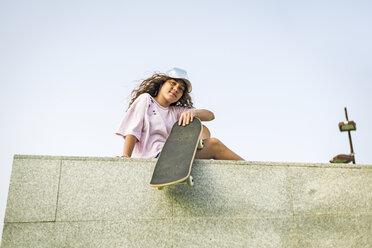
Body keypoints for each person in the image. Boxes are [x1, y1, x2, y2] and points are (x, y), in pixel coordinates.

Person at [116, 67, 244, 160]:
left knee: (202, 128)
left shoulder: (176, 112)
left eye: (181, 88)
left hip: (171, 156)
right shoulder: (146, 100)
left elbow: (210, 115)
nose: (176, 89)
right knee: (214, 144)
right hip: (152, 157)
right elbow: (132, 131)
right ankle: (253, 171)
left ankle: (253, 170)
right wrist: (126, 156)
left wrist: (194, 113)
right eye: (173, 83)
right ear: (162, 84)